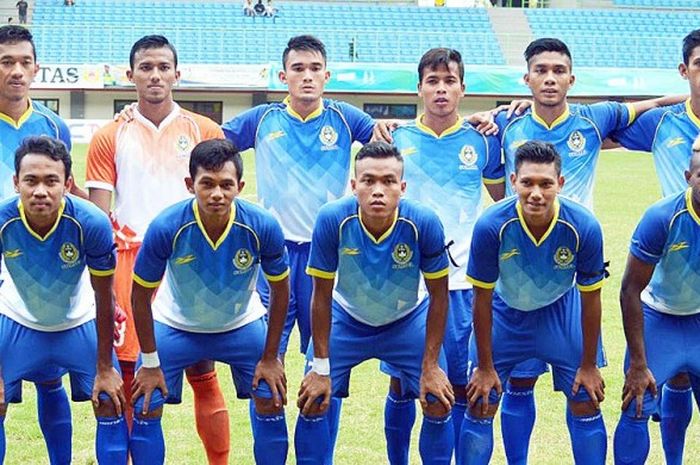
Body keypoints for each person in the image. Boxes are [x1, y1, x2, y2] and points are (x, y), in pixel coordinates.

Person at [492, 37, 684, 464]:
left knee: (584, 392)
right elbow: (494, 186)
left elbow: (649, 105)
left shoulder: (594, 119)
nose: (549, 78)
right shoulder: (508, 126)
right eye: (540, 70)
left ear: (572, 79)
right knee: (519, 384)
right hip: (519, 277)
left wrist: (689, 93)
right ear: (527, 78)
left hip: (577, 279)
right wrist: (494, 112)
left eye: (558, 71)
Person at [85, 35, 229, 464]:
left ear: (177, 74)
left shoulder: (203, 131)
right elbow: (98, 221)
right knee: (134, 375)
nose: (155, 75)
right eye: (146, 67)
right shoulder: (110, 135)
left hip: (191, 266)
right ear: (130, 76)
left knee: (204, 373)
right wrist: (106, 284)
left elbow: (223, 203)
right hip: (131, 265)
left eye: (163, 67)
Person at [128, 139, 290, 465]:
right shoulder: (166, 226)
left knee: (270, 396)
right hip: (176, 327)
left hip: (241, 326)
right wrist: (148, 361)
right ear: (191, 185)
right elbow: (140, 296)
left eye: (226, 185)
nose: (217, 194)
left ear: (240, 187)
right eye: (207, 184)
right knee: (147, 400)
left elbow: (281, 290)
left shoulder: (262, 225)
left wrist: (272, 357)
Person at [294, 141, 454, 465]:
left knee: (438, 400)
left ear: (402, 187)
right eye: (368, 181)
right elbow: (321, 294)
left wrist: (431, 366)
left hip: (408, 320)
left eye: (388, 181)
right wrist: (321, 367)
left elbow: (439, 296)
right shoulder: (332, 219)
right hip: (347, 318)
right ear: (354, 186)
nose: (378, 190)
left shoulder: (424, 222)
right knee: (312, 400)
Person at [380, 47, 504, 464]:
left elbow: (504, 201)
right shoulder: (395, 140)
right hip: (407, 285)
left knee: (458, 385)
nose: (441, 89)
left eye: (449, 81)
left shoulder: (482, 140)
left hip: (462, 284)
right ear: (419, 89)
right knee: (402, 385)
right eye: (432, 81)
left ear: (463, 88)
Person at [460, 141, 607, 465]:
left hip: (560, 312)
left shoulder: (583, 226)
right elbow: (481, 298)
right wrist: (484, 367)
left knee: (586, 398)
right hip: (505, 313)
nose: (536, 193)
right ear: (513, 181)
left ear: (561, 184)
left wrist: (588, 364)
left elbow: (591, 297)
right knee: (481, 400)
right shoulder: (491, 225)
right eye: (527, 183)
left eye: (546, 183)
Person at [0, 136, 126, 464]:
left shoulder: (91, 223)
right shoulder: (2, 221)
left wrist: (104, 366)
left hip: (78, 322)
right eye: (30, 180)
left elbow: (104, 295)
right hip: (18, 321)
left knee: (109, 398)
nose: (40, 191)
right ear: (16, 183)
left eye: (51, 181)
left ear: (67, 184)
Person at [608, 32, 700, 462]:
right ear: (685, 71)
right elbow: (591, 128)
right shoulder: (665, 122)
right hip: (666, 270)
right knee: (644, 396)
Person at [0, 24, 84, 465]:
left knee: (50, 379)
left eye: (24, 62)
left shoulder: (53, 125)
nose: (16, 71)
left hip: (38, 264)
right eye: (6, 62)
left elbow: (67, 188)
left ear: (36, 67)